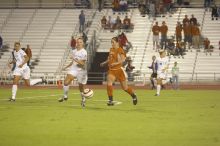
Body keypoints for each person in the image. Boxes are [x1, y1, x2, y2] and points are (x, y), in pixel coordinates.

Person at [100, 37, 138, 106]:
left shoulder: (120, 50)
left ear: (117, 42)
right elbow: (110, 59)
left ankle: (133, 96)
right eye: (111, 42)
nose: (112, 44)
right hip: (112, 70)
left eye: (113, 42)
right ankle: (110, 100)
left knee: (125, 88)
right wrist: (104, 62)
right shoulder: (111, 49)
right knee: (109, 83)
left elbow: (123, 59)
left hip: (119, 70)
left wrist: (115, 63)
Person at [58, 38, 88, 107]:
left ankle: (83, 98)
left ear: (83, 43)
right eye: (78, 42)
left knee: (81, 87)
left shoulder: (84, 52)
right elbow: (73, 62)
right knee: (66, 82)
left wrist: (74, 59)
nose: (79, 43)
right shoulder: (74, 51)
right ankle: (65, 96)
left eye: (80, 42)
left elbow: (82, 63)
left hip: (81, 71)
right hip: (74, 69)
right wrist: (66, 67)